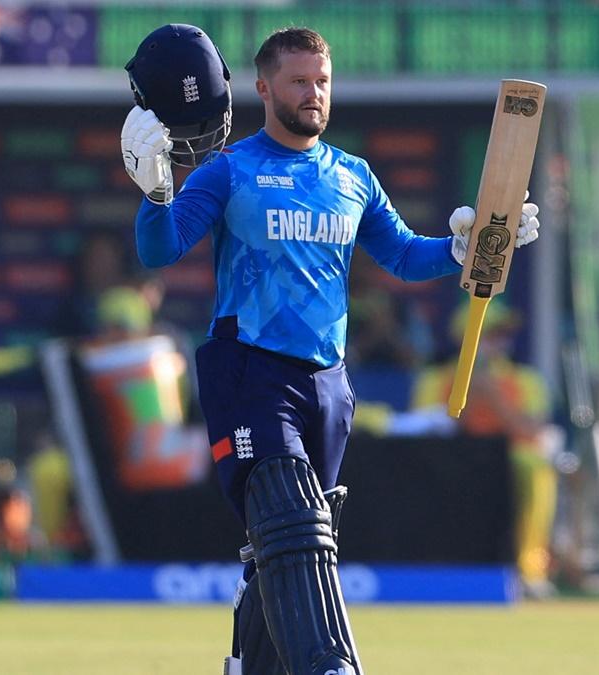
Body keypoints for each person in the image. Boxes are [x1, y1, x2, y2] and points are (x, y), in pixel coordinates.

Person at [121, 25, 539, 675]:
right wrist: (155, 193)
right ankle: (329, 664)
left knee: (287, 542)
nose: (313, 94)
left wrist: (464, 248)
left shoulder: (352, 176)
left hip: (329, 385)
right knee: (293, 518)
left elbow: (403, 253)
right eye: (297, 81)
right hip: (251, 371)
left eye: (321, 82)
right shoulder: (231, 170)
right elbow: (160, 248)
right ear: (263, 88)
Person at [412, 303, 557, 598]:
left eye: (504, 333)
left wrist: (494, 399)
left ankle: (529, 571)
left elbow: (533, 432)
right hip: (450, 463)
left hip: (510, 460)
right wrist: (465, 398)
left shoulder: (526, 379)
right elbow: (425, 432)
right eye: (493, 333)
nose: (501, 340)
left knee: (535, 468)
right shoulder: (434, 379)